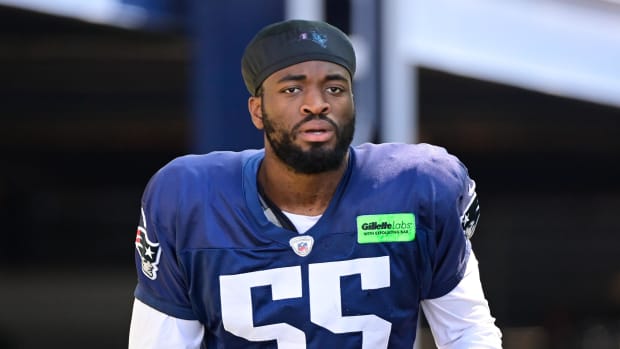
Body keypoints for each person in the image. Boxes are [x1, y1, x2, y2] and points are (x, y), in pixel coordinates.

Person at [128, 19, 502, 349]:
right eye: (292, 89)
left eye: (335, 89)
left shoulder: (419, 186)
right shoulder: (188, 199)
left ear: (353, 101)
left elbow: (468, 334)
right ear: (258, 110)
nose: (316, 103)